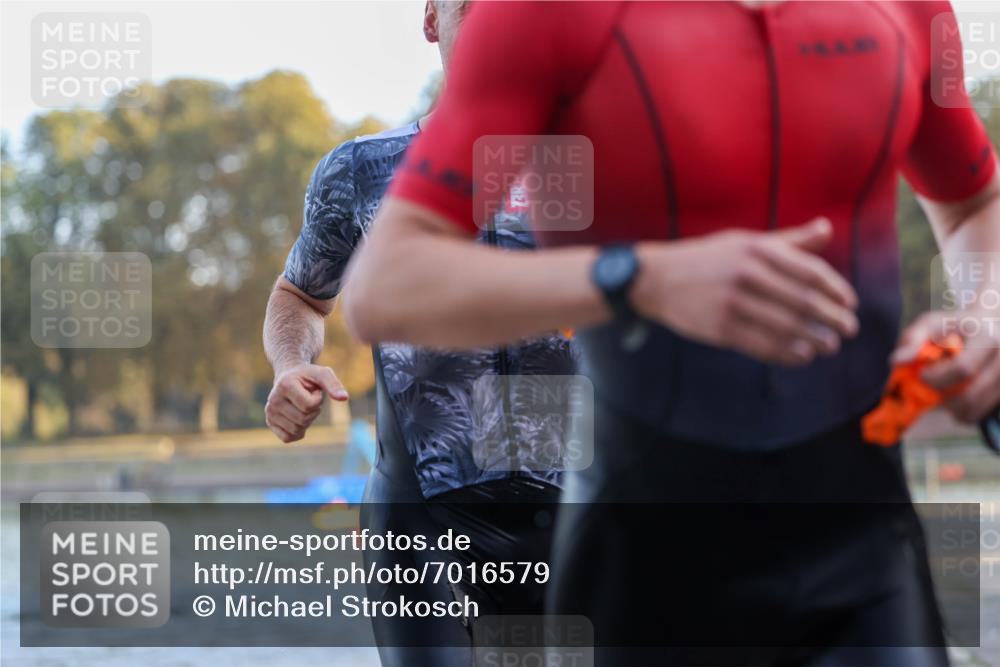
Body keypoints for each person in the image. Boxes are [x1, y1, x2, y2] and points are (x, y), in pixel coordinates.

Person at [342, 1, 1000, 665]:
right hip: (650, 555)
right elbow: (385, 286)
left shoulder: (913, 9)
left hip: (864, 544)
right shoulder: (541, 14)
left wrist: (985, 315)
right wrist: (641, 277)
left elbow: (976, 203)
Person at [262, 2, 576, 665]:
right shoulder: (362, 172)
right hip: (421, 524)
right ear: (433, 19)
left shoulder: (614, 163)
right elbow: (300, 296)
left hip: (581, 513)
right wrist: (290, 364)